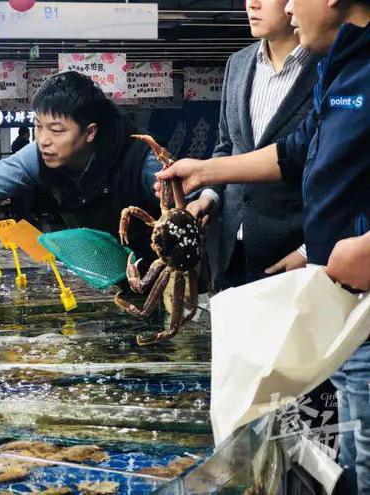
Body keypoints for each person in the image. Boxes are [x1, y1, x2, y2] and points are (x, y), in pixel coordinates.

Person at [156, 0, 369, 490]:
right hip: (335, 298)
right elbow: (300, 149)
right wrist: (205, 172)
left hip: (351, 295)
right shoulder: (346, 60)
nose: (289, 6)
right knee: (347, 459)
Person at [0, 71, 162, 259]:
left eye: (56, 130)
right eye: (38, 126)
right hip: (103, 269)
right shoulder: (38, 156)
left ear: (90, 132)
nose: (43, 140)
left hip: (159, 277)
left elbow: (195, 196)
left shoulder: (141, 162)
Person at [188, 0, 319, 289]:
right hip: (232, 248)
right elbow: (227, 146)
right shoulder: (238, 63)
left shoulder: (326, 64)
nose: (252, 4)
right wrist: (209, 197)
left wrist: (310, 251)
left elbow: (339, 170)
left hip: (295, 252)